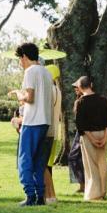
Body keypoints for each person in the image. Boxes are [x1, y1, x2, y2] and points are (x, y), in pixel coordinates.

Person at [9, 43, 54, 206]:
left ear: (24, 57)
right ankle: (40, 196)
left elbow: (30, 97)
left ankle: (30, 195)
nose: (20, 63)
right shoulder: (46, 73)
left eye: (20, 59)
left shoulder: (30, 72)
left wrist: (19, 95)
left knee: (25, 159)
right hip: (45, 121)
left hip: (32, 121)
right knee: (39, 161)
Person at [74, 76, 107, 201]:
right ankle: (103, 190)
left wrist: (92, 139)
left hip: (88, 135)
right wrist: (105, 137)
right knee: (102, 164)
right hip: (102, 133)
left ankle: (94, 193)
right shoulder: (103, 100)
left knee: (91, 165)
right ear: (91, 85)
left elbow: (80, 125)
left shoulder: (80, 102)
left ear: (79, 87)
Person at [44, 64, 63, 205]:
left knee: (44, 165)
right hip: (56, 132)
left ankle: (49, 195)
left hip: (47, 131)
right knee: (48, 165)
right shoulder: (57, 90)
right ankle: (52, 194)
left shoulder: (49, 91)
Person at [68, 83, 86, 193]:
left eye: (77, 87)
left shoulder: (83, 101)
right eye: (74, 87)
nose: (75, 89)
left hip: (83, 132)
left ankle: (84, 185)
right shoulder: (78, 100)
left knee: (74, 157)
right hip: (80, 132)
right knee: (76, 158)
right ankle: (83, 184)